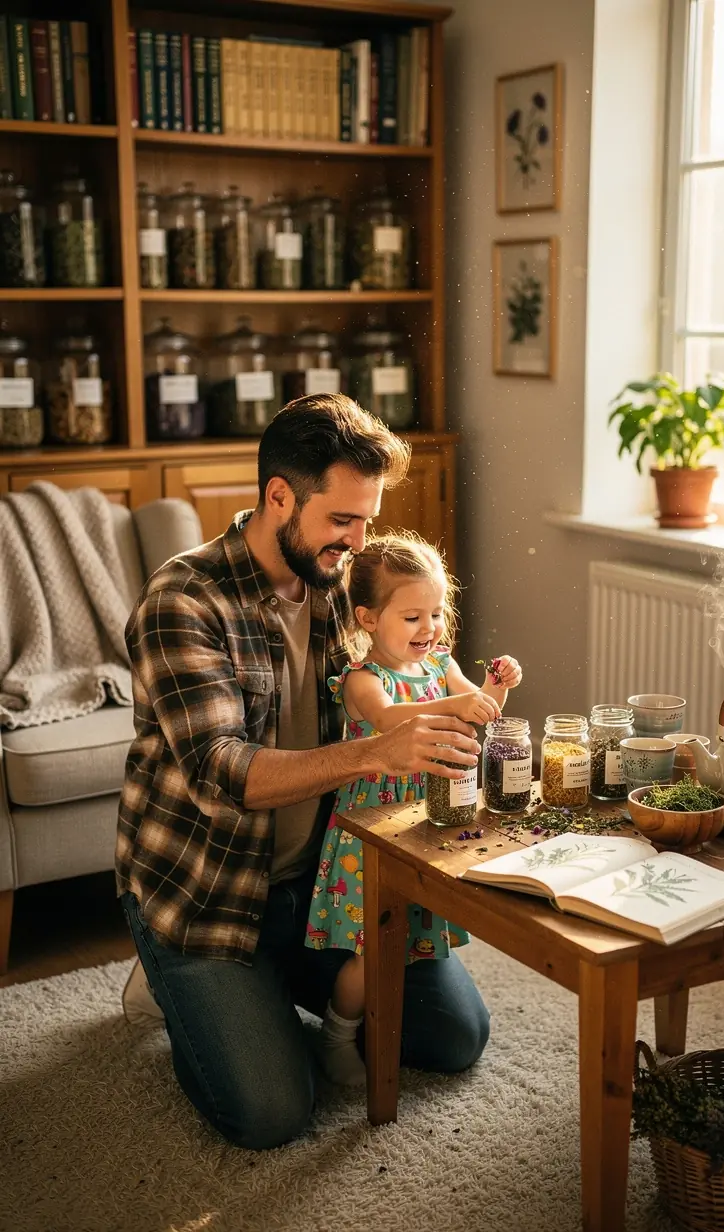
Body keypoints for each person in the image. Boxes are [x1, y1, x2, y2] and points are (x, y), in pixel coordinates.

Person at [115, 393, 490, 1151]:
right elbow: (225, 769)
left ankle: (270, 991)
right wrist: (376, 751)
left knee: (456, 1036)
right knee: (275, 1112)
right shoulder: (184, 600)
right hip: (210, 893)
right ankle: (183, 981)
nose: (356, 541)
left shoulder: (338, 592)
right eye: (342, 520)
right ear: (278, 496)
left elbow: (405, 675)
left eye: (367, 520)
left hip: (324, 883)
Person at [308, 534, 522, 1085]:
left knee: (412, 937)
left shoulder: (442, 666)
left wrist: (497, 688)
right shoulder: (362, 680)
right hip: (371, 836)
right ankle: (336, 1035)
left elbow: (483, 713)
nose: (427, 628)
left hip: (428, 827)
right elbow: (389, 720)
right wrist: (455, 703)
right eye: (411, 616)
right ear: (368, 618)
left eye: (434, 612)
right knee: (370, 949)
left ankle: (395, 1022)